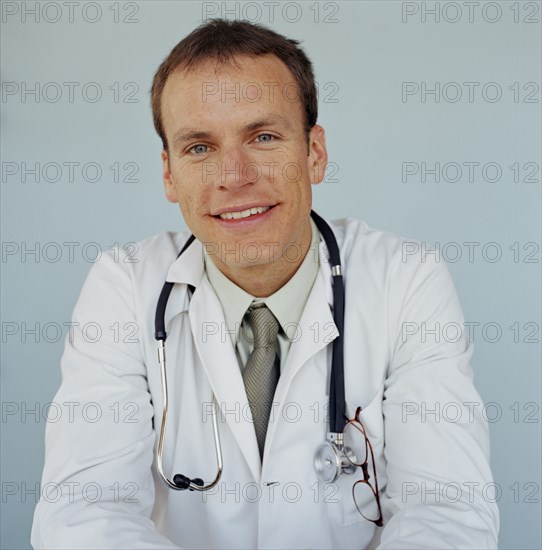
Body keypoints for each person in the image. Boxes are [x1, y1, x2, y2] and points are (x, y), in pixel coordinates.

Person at [31, 19, 499, 549]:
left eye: (264, 136)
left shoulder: (407, 278)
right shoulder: (123, 287)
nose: (234, 175)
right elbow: (84, 513)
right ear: (168, 174)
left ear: (314, 153)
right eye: (199, 148)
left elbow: (445, 510)